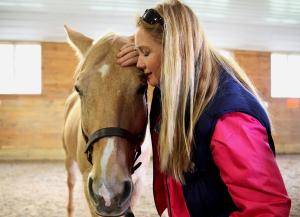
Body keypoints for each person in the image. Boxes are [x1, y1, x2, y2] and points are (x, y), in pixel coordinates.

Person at [117, 0, 291, 216]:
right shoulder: (174, 89)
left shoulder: (231, 122)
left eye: (145, 52)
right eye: (138, 52)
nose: (139, 63)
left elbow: (268, 211)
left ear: (174, 52)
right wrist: (144, 52)